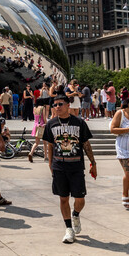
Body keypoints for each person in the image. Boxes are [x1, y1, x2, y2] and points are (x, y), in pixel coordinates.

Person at [43, 93, 96, 244]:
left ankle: (76, 214)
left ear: (68, 105)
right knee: (63, 198)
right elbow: (51, 146)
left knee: (80, 199)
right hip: (59, 167)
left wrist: (93, 163)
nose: (57, 107)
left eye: (60, 104)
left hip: (76, 166)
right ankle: (68, 229)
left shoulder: (79, 122)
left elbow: (86, 144)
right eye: (55, 104)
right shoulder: (51, 124)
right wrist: (50, 164)